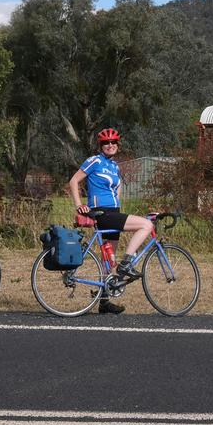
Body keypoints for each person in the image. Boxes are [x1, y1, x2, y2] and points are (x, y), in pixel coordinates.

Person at [68, 128, 153, 315]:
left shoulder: (115, 166)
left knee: (109, 262)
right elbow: (74, 181)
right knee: (146, 225)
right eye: (106, 143)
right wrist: (79, 205)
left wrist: (119, 211)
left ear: (118, 145)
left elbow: (117, 192)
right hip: (102, 213)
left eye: (114, 142)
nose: (110, 145)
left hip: (113, 212)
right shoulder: (94, 161)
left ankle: (103, 302)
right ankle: (127, 264)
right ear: (101, 146)